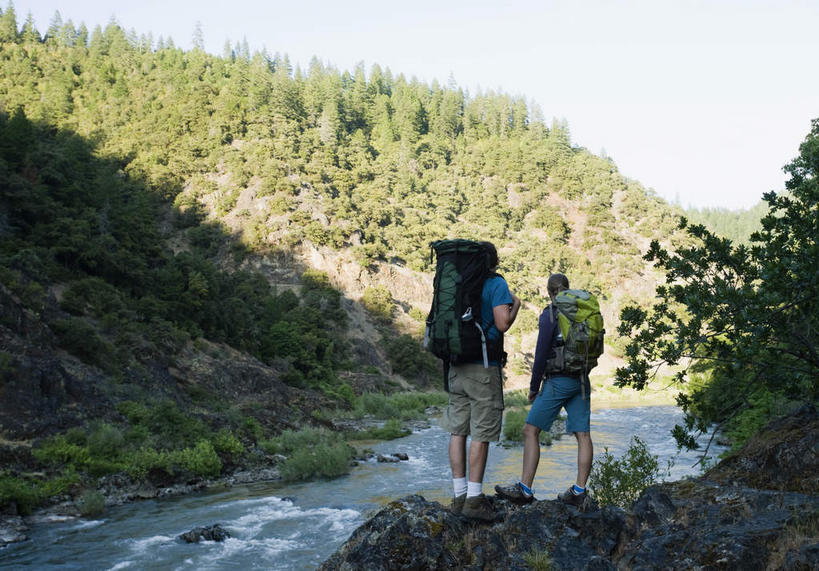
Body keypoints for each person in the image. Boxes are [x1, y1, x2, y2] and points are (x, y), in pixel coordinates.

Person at [495, 272, 593, 507]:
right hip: (581, 380)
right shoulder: (584, 313)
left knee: (530, 431)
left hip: (558, 380)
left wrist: (533, 386)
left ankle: (525, 489)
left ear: (550, 293)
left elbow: (540, 354)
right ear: (569, 289)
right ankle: (580, 491)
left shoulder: (550, 314)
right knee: (583, 435)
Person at [441, 242, 520, 521]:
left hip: (456, 366)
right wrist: (516, 305)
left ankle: (459, 495)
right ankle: (474, 500)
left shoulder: (458, 282)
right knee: (481, 433)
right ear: (494, 262)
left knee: (457, 430)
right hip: (484, 367)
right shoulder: (496, 283)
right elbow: (502, 324)